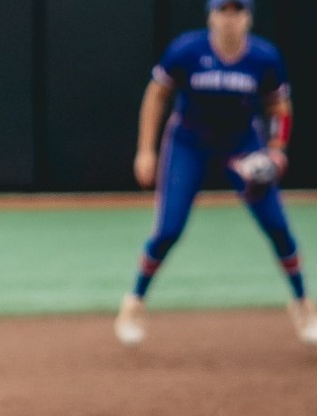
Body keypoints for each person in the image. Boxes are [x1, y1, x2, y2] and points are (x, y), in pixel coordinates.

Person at [116, 0, 314, 347]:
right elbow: (156, 95)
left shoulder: (264, 57)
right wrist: (146, 150)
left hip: (242, 144)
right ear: (210, 16)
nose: (229, 19)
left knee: (278, 227)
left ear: (249, 18)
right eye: (222, 10)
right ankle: (134, 302)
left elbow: (278, 105)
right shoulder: (186, 50)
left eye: (237, 11)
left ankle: (303, 304)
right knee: (168, 230)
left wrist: (277, 149)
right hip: (189, 143)